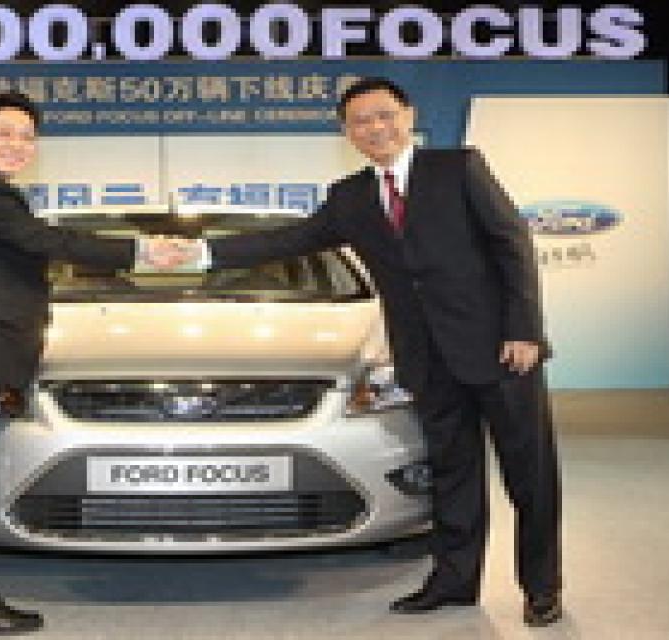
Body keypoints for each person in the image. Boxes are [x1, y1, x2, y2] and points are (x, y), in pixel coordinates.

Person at [172, 77, 563, 626]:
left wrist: (524, 331)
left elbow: (512, 244)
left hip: (500, 351)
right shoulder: (350, 197)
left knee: (529, 474)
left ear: (408, 116)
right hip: (426, 359)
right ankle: (454, 581)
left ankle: (542, 587)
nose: (376, 128)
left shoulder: (458, 168)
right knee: (453, 475)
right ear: (347, 132)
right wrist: (199, 253)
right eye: (361, 121)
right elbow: (287, 240)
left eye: (385, 115)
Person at [0, 91, 187, 634]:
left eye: (26, 136)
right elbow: (47, 241)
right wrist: (141, 252)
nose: (16, 144)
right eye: (3, 133)